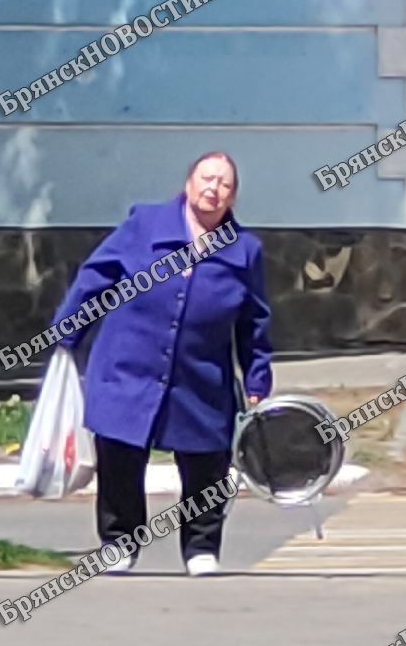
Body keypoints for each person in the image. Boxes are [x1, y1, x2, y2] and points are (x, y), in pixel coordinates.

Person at [52, 152, 272, 576]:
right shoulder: (144, 225)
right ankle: (119, 543)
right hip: (128, 365)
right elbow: (95, 276)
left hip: (200, 376)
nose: (214, 188)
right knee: (119, 453)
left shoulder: (244, 250)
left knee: (207, 461)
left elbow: (255, 321)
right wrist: (68, 330)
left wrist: (257, 377)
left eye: (224, 184)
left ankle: (201, 548)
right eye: (207, 178)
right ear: (188, 183)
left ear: (233, 197)